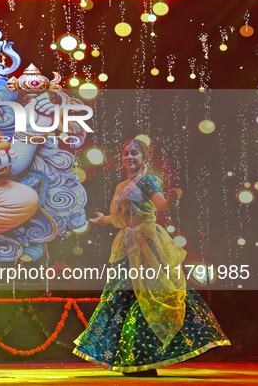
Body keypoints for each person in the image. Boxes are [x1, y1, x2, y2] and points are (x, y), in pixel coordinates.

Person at [73, 139, 230, 376]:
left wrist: (172, 200)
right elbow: (121, 217)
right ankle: (130, 357)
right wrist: (103, 219)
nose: (129, 157)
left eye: (134, 153)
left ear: (144, 157)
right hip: (126, 247)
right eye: (125, 153)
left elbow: (161, 204)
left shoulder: (147, 180)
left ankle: (146, 357)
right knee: (122, 300)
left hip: (146, 245)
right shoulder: (121, 186)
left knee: (148, 299)